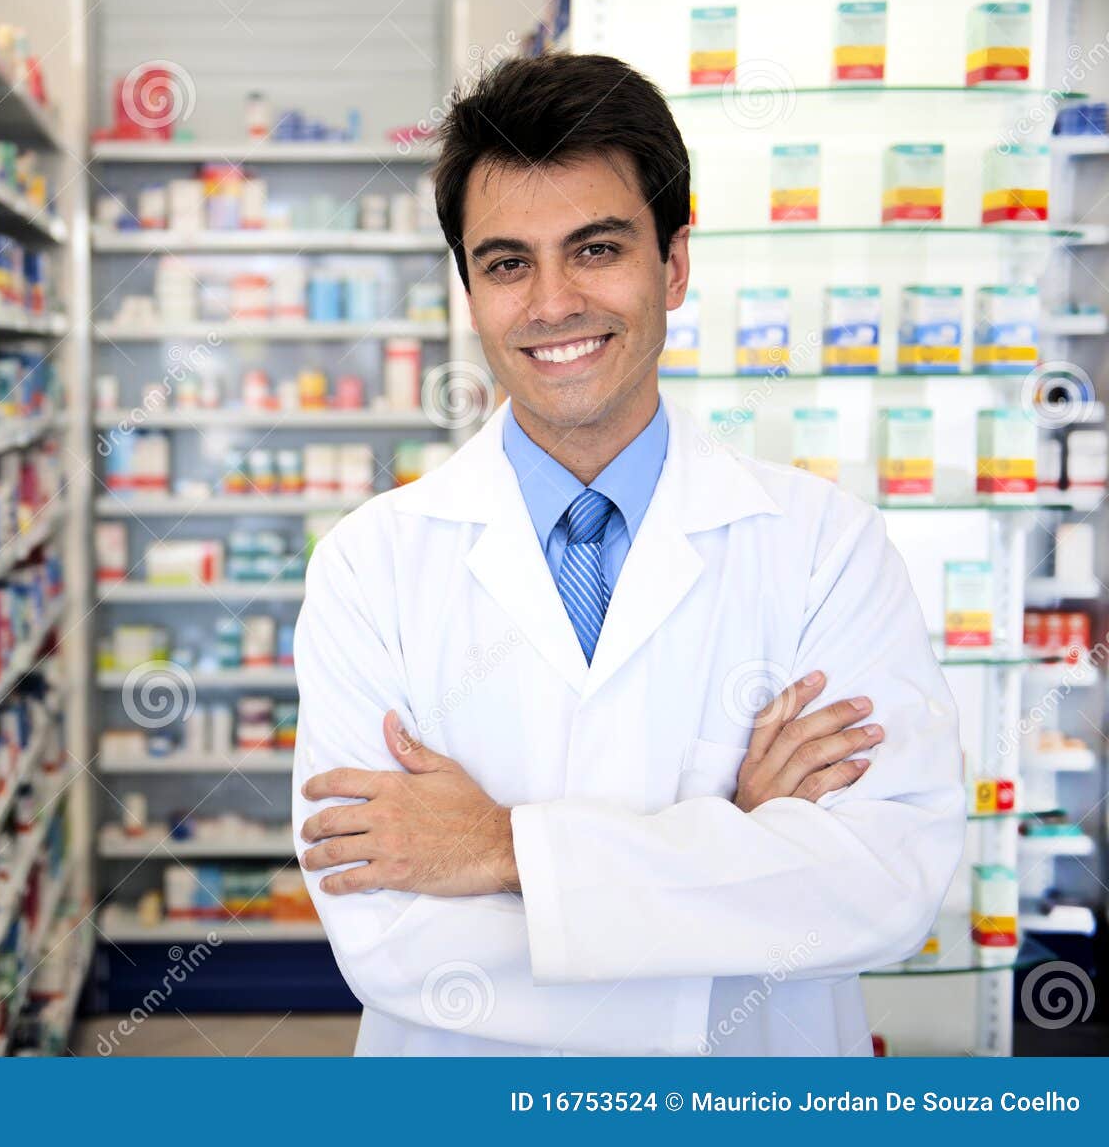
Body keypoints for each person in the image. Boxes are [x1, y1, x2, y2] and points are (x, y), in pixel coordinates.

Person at [291, 52, 963, 1056]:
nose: (553, 302)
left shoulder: (824, 546)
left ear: (674, 263)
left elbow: (883, 881)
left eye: (596, 247)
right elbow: (392, 938)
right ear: (470, 290)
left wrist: (496, 846)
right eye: (507, 261)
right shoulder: (368, 568)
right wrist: (737, 842)